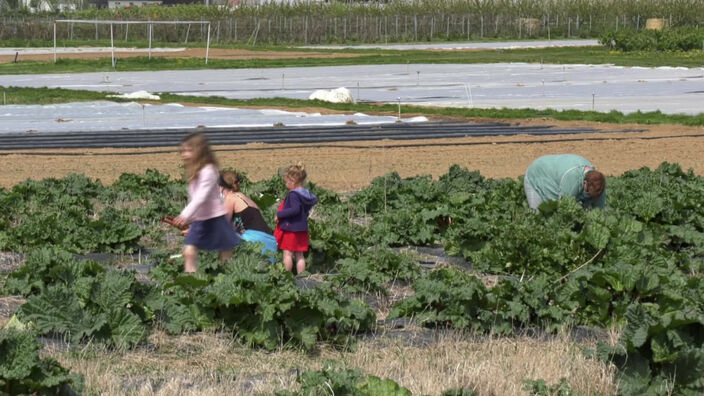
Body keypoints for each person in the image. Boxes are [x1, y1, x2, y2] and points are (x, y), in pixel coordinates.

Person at [172, 133, 241, 273]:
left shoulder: (209, 170)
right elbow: (196, 201)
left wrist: (185, 215)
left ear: (199, 151)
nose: (184, 154)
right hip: (201, 219)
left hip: (215, 218)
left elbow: (201, 197)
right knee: (189, 251)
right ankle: (191, 283)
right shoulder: (195, 172)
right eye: (183, 150)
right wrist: (189, 217)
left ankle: (227, 279)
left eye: (189, 150)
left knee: (226, 250)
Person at [218, 170, 278, 258]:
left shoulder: (231, 198)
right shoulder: (242, 196)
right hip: (270, 243)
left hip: (254, 242)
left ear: (222, 187)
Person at [274, 163, 318, 274]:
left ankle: (286, 277)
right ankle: (302, 278)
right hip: (302, 229)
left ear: (292, 181)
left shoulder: (293, 195)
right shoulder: (306, 195)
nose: (285, 184)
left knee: (287, 254)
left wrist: (280, 214)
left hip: (291, 229)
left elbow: (295, 210)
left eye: (286, 181)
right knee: (300, 255)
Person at [524, 154, 606, 210]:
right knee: (538, 216)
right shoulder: (572, 178)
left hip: (556, 177)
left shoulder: (599, 187)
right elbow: (563, 208)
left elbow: (599, 211)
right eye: (588, 194)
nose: (589, 198)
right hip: (537, 175)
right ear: (585, 184)